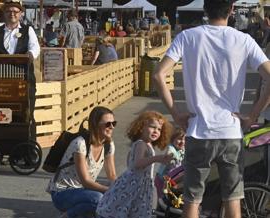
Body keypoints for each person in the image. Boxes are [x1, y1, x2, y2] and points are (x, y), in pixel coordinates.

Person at [153, 0, 270, 217]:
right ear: (232, 9)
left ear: (205, 9)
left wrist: (176, 115)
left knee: (192, 199)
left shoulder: (187, 37)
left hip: (199, 130)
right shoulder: (244, 40)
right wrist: (252, 115)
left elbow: (158, 74)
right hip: (231, 131)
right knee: (233, 198)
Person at [96, 111, 173, 218]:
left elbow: (130, 162)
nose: (156, 131)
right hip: (134, 184)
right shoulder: (141, 144)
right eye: (152, 127)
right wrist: (157, 158)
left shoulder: (148, 144)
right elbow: (138, 163)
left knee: (134, 209)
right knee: (127, 207)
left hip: (140, 185)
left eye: (159, 129)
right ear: (142, 127)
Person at [0, 0, 40, 140]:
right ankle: (3, 146)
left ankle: (28, 150)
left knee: (27, 115)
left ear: (20, 14)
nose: (12, 14)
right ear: (4, 13)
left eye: (15, 11)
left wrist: (29, 56)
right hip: (1, 85)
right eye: (9, 11)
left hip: (24, 83)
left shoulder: (28, 30)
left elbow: (35, 48)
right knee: (3, 115)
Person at [46, 106, 117, 218]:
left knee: (107, 200)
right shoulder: (80, 143)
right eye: (108, 124)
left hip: (84, 192)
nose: (111, 127)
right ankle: (68, 215)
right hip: (62, 193)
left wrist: (119, 188)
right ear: (95, 125)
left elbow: (112, 175)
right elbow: (86, 181)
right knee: (99, 199)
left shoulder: (108, 145)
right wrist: (110, 191)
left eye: (114, 123)